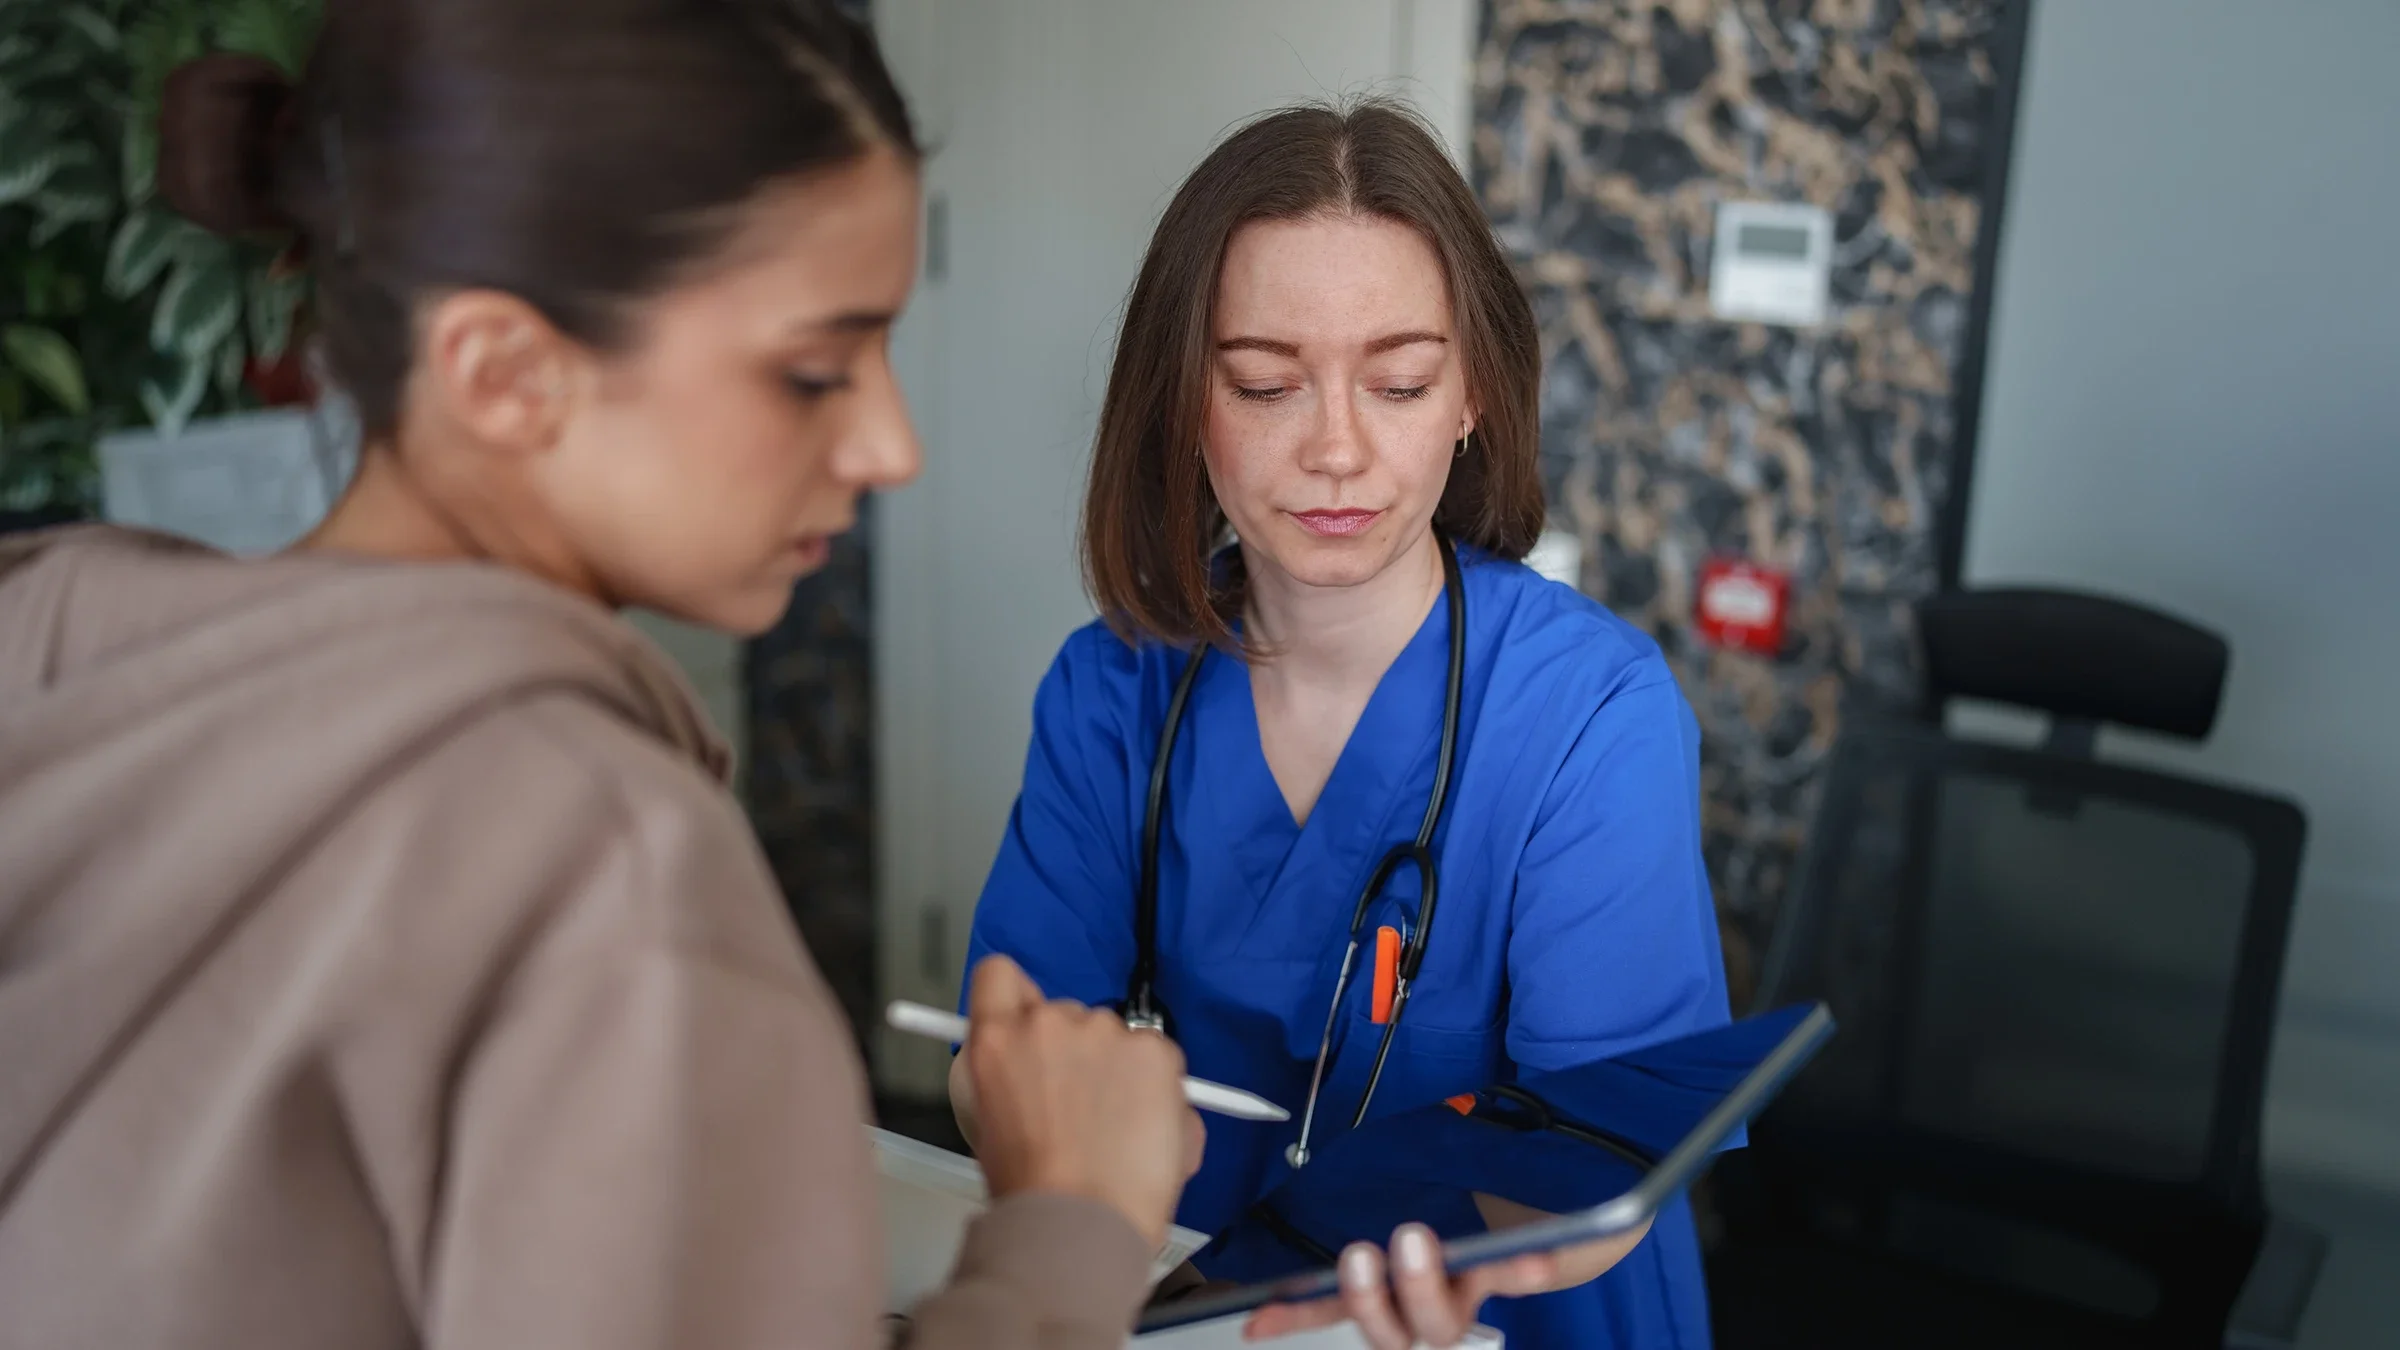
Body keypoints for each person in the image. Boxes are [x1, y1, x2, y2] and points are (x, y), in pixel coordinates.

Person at [0, 3, 1202, 1348]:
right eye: (816, 370)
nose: (890, 443)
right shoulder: (610, 862)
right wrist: (1074, 1220)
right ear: (505, 373)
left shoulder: (51, 631)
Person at [953, 100, 1734, 1350]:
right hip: (1197, 1301)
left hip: (1508, 1318)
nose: (1336, 449)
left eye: (1400, 381)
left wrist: (1427, 1266)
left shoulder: (1592, 714)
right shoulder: (1112, 692)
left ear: (1471, 395)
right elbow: (1002, 1044)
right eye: (1265, 385)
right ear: (1183, 406)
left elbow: (1607, 1161)